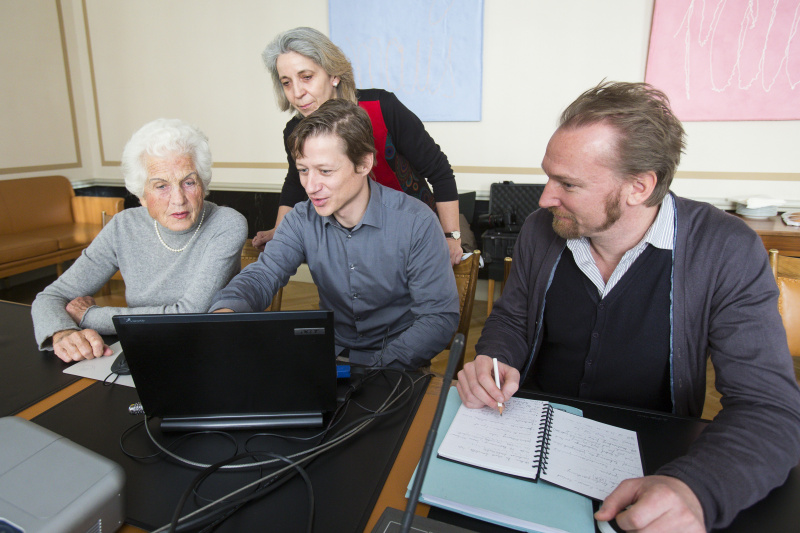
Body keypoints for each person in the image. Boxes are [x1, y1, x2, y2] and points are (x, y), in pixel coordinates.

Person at [456, 81, 800, 531]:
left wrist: (697, 489)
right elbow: (513, 317)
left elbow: (769, 408)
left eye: (568, 184)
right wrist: (493, 359)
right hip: (532, 438)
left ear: (638, 187)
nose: (544, 198)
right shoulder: (543, 230)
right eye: (548, 175)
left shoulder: (726, 249)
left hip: (655, 459)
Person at [210, 99, 459, 369]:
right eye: (304, 171)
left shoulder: (417, 222)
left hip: (396, 365)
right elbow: (264, 275)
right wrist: (227, 311)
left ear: (364, 164)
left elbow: (437, 318)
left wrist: (374, 370)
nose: (311, 186)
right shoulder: (300, 219)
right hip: (331, 357)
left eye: (325, 171)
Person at [32, 118, 247, 362]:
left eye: (188, 182)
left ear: (203, 184)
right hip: (142, 350)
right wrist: (64, 332)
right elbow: (51, 297)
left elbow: (190, 314)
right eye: (161, 186)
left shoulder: (227, 223)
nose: (178, 199)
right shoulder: (124, 226)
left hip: (208, 352)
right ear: (141, 195)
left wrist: (89, 317)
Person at [252, 26, 464, 265]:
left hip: (414, 231)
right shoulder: (295, 131)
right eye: (286, 82)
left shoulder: (383, 107)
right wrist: (280, 231)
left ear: (334, 75)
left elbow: (440, 172)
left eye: (306, 77)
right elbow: (294, 183)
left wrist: (450, 236)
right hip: (353, 239)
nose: (297, 93)